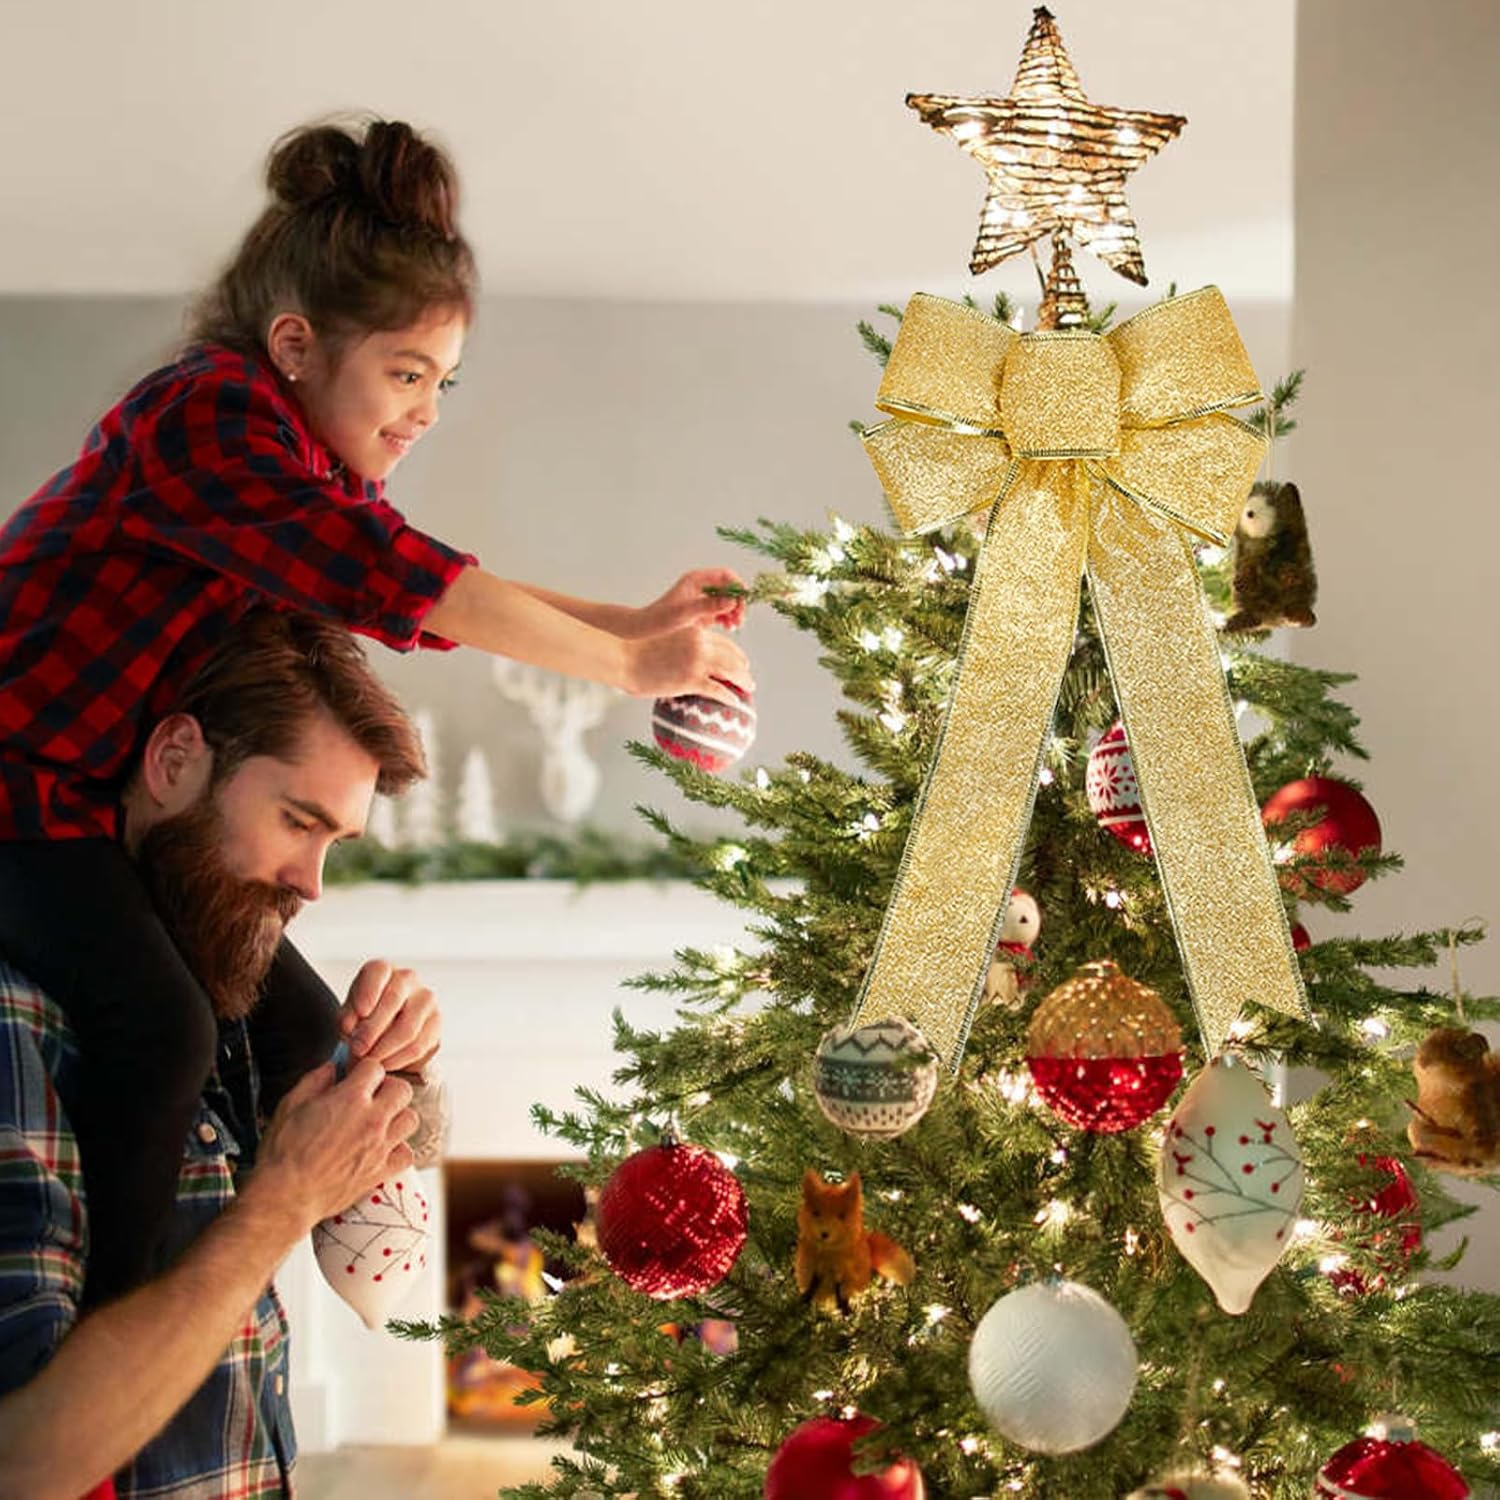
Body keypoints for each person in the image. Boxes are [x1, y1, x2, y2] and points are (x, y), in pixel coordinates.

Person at [0, 114, 754, 1309]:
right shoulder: (205, 419)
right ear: (295, 344)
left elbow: (408, 571)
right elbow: (402, 579)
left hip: (92, 810)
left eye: (443, 383)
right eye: (406, 374)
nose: (426, 412)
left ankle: (349, 1292)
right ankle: (109, 1341)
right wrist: (627, 668)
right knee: (163, 1031)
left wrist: (628, 626)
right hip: (15, 793)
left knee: (305, 1038)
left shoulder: (294, 477)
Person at [0, 609, 449, 1499]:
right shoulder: (19, 1014)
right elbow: (23, 1463)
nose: (312, 883)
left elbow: (415, 1148)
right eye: (295, 821)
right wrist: (282, 1202)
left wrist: (410, 1066)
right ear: (173, 761)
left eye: (333, 843)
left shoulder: (221, 949)